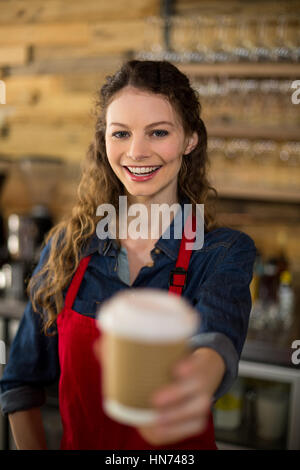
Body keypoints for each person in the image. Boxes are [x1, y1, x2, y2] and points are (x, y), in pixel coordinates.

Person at [0, 60, 256, 450]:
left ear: (190, 140)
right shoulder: (68, 246)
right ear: (105, 141)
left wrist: (195, 381)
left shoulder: (222, 253)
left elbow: (216, 339)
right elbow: (20, 383)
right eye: (121, 133)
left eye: (158, 132)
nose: (137, 152)